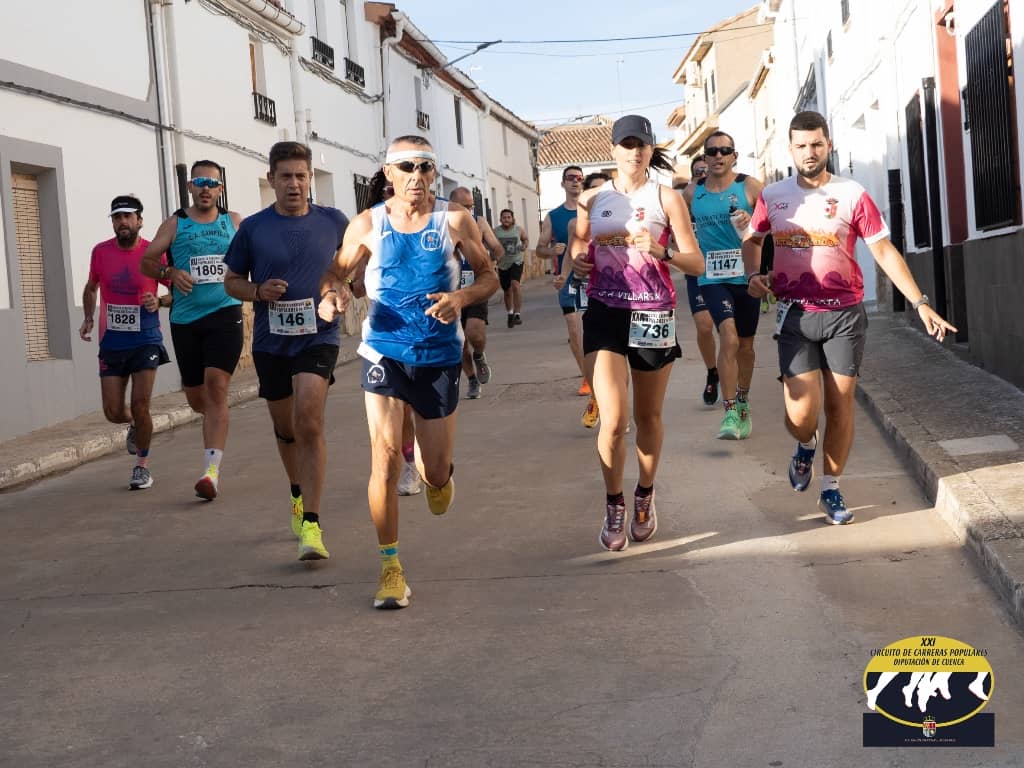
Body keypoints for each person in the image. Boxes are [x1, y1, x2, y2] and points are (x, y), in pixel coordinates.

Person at [743, 110, 956, 524]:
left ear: (829, 145)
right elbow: (753, 239)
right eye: (801, 146)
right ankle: (805, 445)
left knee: (840, 406)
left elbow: (883, 250)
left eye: (816, 144)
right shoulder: (773, 196)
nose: (809, 152)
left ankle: (831, 488)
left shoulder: (853, 194)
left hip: (844, 315)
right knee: (801, 415)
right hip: (795, 315)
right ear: (790, 149)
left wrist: (920, 302)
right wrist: (753, 274)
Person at [318, 135, 497, 608]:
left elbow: (489, 276)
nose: (416, 177)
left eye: (425, 167)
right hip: (383, 351)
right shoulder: (367, 223)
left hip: (438, 355)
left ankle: (438, 476)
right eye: (406, 167)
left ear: (434, 173)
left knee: (433, 472)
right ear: (389, 173)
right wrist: (331, 295)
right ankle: (390, 568)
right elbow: (335, 272)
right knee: (384, 458)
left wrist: (460, 297)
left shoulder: (454, 220)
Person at [569, 115, 703, 551]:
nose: (635, 151)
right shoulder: (592, 199)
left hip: (652, 314)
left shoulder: (667, 198)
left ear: (650, 150)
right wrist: (578, 261)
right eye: (627, 144)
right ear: (613, 149)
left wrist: (662, 251)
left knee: (648, 417)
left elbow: (696, 262)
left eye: (642, 144)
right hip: (605, 311)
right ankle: (614, 503)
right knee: (613, 420)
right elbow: (579, 245)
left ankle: (645, 493)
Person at [223, 141, 349, 560]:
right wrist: (258, 290)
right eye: (285, 177)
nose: (294, 184)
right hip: (271, 341)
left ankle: (312, 524)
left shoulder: (333, 222)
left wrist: (343, 289)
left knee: (308, 419)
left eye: (301, 176)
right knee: (286, 427)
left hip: (320, 334)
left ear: (310, 178)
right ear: (271, 179)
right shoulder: (253, 228)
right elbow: (231, 282)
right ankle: (296, 492)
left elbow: (354, 267)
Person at [141, 160, 242, 501]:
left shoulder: (234, 222)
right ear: (190, 187)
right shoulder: (175, 223)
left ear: (220, 189)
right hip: (186, 319)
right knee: (198, 398)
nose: (205, 189)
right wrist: (169, 273)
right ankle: (216, 417)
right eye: (199, 182)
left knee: (216, 388)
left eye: (212, 183)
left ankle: (211, 473)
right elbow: (147, 262)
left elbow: (256, 254)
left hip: (225, 312)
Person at [80, 195, 172, 490]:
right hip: (112, 341)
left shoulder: (153, 253)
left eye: (128, 216)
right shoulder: (101, 252)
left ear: (139, 221)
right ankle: (135, 423)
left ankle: (142, 467)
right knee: (113, 412)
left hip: (146, 338)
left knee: (141, 404)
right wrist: (88, 318)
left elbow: (178, 289)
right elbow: (91, 287)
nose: (122, 222)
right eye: (117, 217)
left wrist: (159, 301)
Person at [684, 132, 763, 439]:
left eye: (725, 150)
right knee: (728, 336)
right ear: (704, 157)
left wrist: (751, 225)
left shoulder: (750, 187)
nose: (718, 156)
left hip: (746, 276)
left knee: (746, 346)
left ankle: (743, 400)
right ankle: (729, 411)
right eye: (713, 151)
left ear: (734, 156)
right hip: (711, 277)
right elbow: (677, 228)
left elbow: (771, 226)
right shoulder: (692, 193)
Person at [562, 172, 610, 429]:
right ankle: (595, 395)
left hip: (619, 291)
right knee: (590, 347)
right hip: (586, 288)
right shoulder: (577, 223)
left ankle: (616, 410)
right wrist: (565, 275)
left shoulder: (624, 218)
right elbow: (572, 251)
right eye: (594, 191)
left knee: (616, 354)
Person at [538, 165, 589, 396]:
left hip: (594, 278)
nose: (575, 181)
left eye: (579, 178)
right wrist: (551, 251)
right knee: (574, 330)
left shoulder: (592, 211)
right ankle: (587, 377)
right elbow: (540, 248)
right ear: (563, 183)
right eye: (570, 178)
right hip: (567, 279)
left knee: (592, 328)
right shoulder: (554, 216)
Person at [449, 187, 500, 400]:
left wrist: (491, 262)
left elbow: (496, 247)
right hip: (451, 291)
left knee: (475, 333)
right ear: (452, 205)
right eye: (464, 206)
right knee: (459, 342)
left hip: (476, 286)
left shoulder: (479, 222)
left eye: (471, 206)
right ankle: (471, 379)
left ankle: (479, 355)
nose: (469, 210)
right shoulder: (441, 223)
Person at [679, 156, 720, 405]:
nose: (703, 175)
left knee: (730, 329)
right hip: (698, 270)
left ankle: (733, 373)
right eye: (697, 172)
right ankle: (712, 371)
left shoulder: (725, 196)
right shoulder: (686, 200)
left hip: (727, 269)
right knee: (705, 326)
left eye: (706, 171)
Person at [494, 208, 529, 328]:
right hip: (502, 264)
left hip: (516, 261)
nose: (506, 219)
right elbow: (490, 244)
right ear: (500, 219)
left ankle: (517, 314)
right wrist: (493, 255)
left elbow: (525, 239)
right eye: (504, 217)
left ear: (512, 218)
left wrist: (524, 245)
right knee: (507, 291)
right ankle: (510, 313)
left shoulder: (518, 229)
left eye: (509, 217)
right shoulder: (496, 231)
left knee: (515, 284)